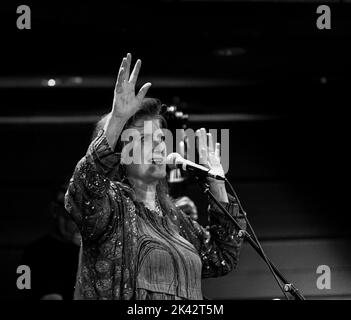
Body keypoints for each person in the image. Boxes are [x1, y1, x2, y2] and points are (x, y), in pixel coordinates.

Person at [64, 53, 246, 300]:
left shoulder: (174, 218)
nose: (159, 146)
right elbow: (84, 188)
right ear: (119, 152)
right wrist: (117, 120)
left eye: (160, 138)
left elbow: (222, 258)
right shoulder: (111, 206)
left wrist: (216, 183)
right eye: (143, 139)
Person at [21, 183, 81, 300]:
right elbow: (22, 288)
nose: (73, 223)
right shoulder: (33, 252)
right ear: (54, 211)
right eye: (67, 214)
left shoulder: (96, 251)